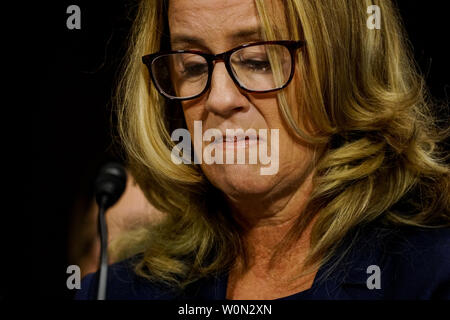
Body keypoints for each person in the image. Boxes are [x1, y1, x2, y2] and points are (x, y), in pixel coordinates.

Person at [75, 0, 450, 300]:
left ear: (342, 64)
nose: (219, 99)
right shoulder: (117, 291)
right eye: (191, 66)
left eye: (258, 61)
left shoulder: (430, 270)